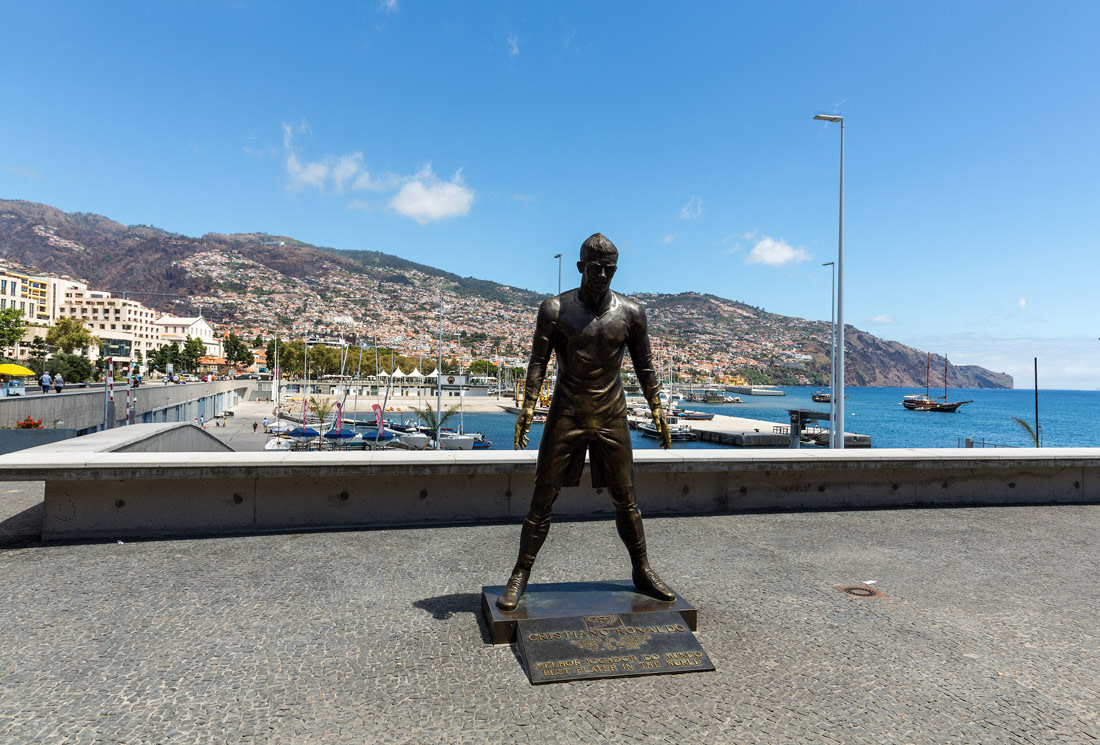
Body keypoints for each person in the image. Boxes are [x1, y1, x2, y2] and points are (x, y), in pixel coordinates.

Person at [496, 233, 675, 612]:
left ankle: (642, 569)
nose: (602, 275)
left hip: (612, 414)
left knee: (626, 499)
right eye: (595, 268)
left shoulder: (632, 313)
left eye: (610, 269)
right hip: (566, 414)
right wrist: (528, 407)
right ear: (580, 267)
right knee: (543, 496)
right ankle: (520, 573)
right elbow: (537, 362)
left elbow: (645, 366)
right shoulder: (555, 309)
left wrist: (657, 408)